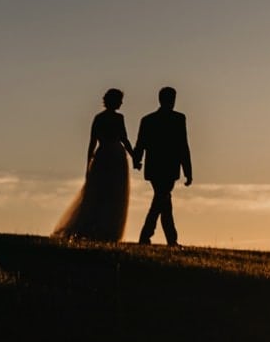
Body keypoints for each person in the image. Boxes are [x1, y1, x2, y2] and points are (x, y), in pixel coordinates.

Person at [50, 88, 133, 241]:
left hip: (104, 156)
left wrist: (89, 163)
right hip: (114, 156)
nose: (121, 103)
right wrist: (134, 156)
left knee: (104, 194)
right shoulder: (117, 118)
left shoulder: (99, 118)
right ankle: (103, 230)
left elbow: (93, 143)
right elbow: (124, 139)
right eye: (119, 100)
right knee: (109, 194)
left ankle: (102, 230)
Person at [132, 86, 193, 245]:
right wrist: (188, 171)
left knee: (164, 201)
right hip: (167, 166)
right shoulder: (178, 119)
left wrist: (137, 160)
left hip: (156, 167)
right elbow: (182, 145)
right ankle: (146, 235)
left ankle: (170, 240)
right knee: (161, 199)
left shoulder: (149, 120)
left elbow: (141, 143)